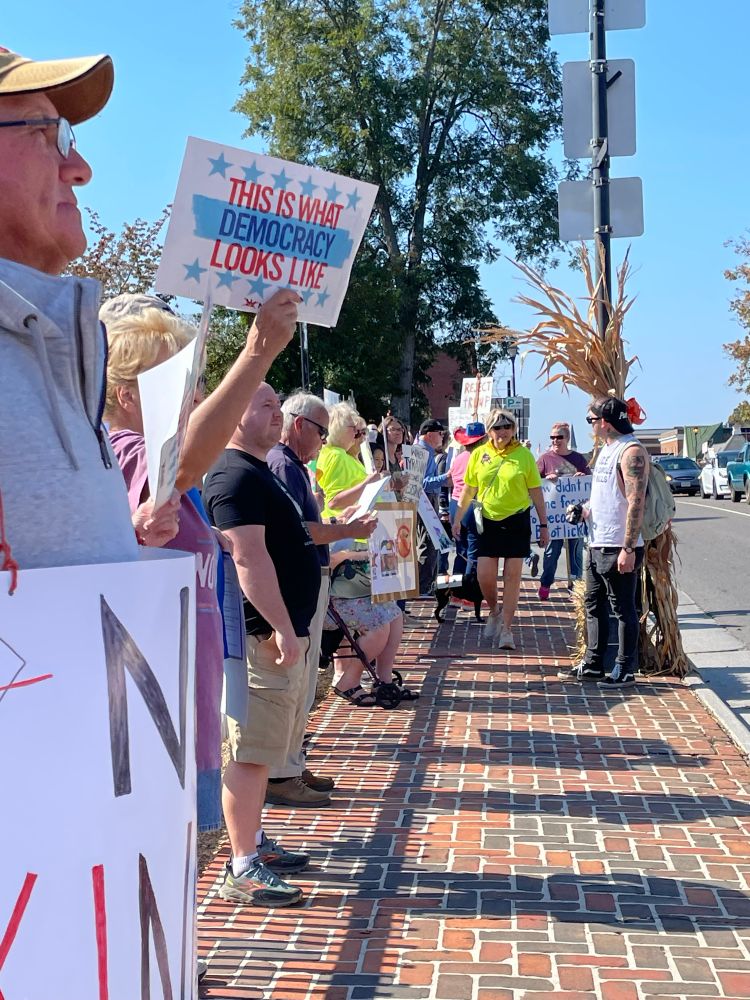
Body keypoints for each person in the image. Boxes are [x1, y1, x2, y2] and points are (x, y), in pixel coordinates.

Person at [102, 297, 298, 830]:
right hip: (152, 716)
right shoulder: (125, 449)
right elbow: (179, 463)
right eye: (180, 386)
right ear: (126, 396)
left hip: (184, 703)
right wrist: (257, 351)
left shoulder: (147, 466)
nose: (198, 398)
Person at [0, 47, 179, 570]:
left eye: (71, 141)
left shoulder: (56, 348)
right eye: (50, 136)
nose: (80, 169)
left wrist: (127, 537)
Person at [203, 383, 322, 907]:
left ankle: (253, 840)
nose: (277, 414)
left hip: (277, 630)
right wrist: (281, 626)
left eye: (279, 406)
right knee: (250, 752)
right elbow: (249, 558)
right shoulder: (232, 475)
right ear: (233, 412)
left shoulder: (257, 471)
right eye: (266, 405)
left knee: (263, 749)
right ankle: (241, 865)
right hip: (259, 636)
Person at [265, 391, 376, 802]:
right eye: (319, 430)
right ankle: (281, 771)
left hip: (310, 576)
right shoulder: (283, 465)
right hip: (295, 583)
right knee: (294, 682)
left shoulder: (293, 465)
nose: (324, 439)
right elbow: (300, 531)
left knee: (305, 681)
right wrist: (346, 529)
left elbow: (308, 523)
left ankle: (291, 762)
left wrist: (336, 523)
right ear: (300, 426)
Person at [558, 396, 648, 688]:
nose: (591, 426)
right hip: (595, 540)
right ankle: (593, 663)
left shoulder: (631, 452)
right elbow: (604, 497)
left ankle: (625, 667)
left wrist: (628, 548)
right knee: (592, 603)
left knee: (623, 608)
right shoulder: (606, 450)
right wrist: (583, 510)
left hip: (618, 544)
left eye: (592, 420)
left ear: (605, 423)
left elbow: (636, 502)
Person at [451, 408, 549, 649]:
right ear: (489, 431)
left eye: (507, 427)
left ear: (514, 429)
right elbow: (469, 489)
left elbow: (536, 490)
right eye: (497, 427)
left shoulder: (524, 455)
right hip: (485, 518)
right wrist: (458, 518)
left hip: (516, 519)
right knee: (485, 574)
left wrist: (544, 523)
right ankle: (494, 609)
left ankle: (507, 629)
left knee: (513, 576)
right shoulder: (479, 455)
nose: (502, 432)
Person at [536, 422, 591, 599]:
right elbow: (534, 481)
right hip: (554, 517)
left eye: (559, 437)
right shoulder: (545, 459)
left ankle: (575, 586)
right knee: (552, 551)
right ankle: (545, 583)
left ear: (567, 438)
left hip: (575, 515)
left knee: (576, 552)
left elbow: (590, 482)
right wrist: (545, 478)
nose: (555, 440)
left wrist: (582, 477)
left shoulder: (579, 459)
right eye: (552, 437)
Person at [316, 401, 382, 518]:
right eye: (353, 428)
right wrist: (367, 483)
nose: (357, 432)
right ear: (339, 428)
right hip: (346, 527)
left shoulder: (338, 453)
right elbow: (334, 502)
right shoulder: (336, 455)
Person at [415, 418, 452, 596]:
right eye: (440, 434)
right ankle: (423, 586)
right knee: (427, 544)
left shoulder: (426, 451)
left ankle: (427, 584)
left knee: (431, 544)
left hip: (428, 500)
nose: (442, 437)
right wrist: (445, 477)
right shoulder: (422, 451)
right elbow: (421, 483)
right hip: (424, 501)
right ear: (429, 435)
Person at [450, 423, 486, 576]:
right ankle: (470, 591)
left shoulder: (458, 458)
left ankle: (456, 589)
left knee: (461, 550)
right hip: (472, 505)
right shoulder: (482, 458)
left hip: (454, 504)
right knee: (474, 549)